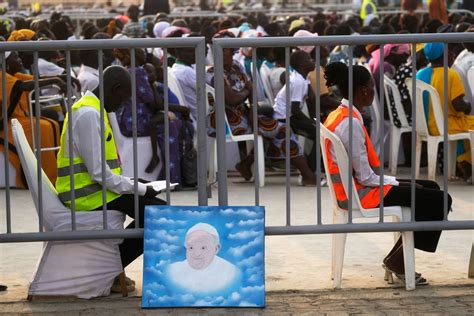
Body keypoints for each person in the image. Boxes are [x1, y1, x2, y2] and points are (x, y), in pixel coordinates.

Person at [323, 62, 451, 285]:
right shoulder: (350, 124)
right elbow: (366, 178)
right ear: (363, 90)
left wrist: (403, 183)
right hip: (361, 194)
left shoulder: (340, 114)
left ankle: (396, 258)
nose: (374, 91)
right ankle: (398, 261)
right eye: (372, 87)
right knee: (441, 200)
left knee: (431, 188)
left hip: (354, 187)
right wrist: (401, 183)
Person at [55, 66, 166, 292]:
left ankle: (110, 269)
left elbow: (103, 170)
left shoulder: (95, 109)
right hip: (87, 196)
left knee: (157, 211)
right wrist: (140, 189)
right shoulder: (89, 114)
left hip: (95, 190)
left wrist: (136, 183)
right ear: (115, 90)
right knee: (158, 214)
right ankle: (108, 270)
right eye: (123, 100)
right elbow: (99, 173)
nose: (122, 106)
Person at [207, 31, 316, 185]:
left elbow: (249, 91)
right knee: (281, 128)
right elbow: (232, 99)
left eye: (231, 51)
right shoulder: (213, 72)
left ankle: (245, 164)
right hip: (226, 120)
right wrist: (245, 92)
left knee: (270, 124)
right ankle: (308, 174)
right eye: (225, 50)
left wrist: (251, 107)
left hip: (244, 114)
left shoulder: (236, 66)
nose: (229, 54)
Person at [0, 51, 64, 188]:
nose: (20, 60)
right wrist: (55, 80)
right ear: (5, 63)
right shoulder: (2, 77)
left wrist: (63, 77)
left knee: (51, 123)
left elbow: (36, 79)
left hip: (20, 120)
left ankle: (54, 174)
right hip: (7, 124)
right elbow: (22, 86)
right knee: (43, 127)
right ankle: (45, 177)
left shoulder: (14, 76)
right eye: (15, 58)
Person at [416, 42, 474, 180]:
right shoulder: (451, 74)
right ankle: (466, 161)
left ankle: (464, 160)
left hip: (425, 127)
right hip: (446, 125)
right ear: (444, 55)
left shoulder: (419, 74)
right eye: (449, 51)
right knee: (470, 124)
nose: (452, 54)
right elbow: (458, 105)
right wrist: (468, 106)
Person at [167, 223, 240, 293]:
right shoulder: (173, 270)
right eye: (191, 248)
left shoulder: (231, 272)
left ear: (216, 249)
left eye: (203, 248)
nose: (196, 254)